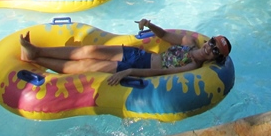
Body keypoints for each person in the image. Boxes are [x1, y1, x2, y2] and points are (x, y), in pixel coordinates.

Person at [20, 18, 231, 86]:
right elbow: (165, 36)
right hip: (139, 55)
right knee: (87, 50)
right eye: (212, 42)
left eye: (214, 50)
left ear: (216, 57)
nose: (209, 47)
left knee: (85, 66)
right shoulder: (190, 42)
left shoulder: (193, 66)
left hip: (137, 66)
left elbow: (160, 74)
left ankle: (38, 59)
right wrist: (150, 24)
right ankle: (36, 51)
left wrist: (128, 71)